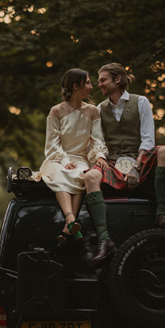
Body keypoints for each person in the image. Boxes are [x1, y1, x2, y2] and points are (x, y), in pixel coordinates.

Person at [84, 62, 165, 266]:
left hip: (139, 159)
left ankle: (161, 215)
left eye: (103, 80)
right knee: (90, 177)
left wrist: (136, 165)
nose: (99, 85)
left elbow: (148, 138)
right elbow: (97, 140)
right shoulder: (99, 108)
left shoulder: (140, 101)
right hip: (112, 162)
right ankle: (105, 239)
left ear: (117, 79)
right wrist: (99, 156)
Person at [39, 68, 108, 250]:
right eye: (87, 83)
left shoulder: (93, 111)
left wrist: (100, 156)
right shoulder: (56, 111)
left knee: (80, 175)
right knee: (61, 173)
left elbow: (97, 139)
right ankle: (71, 219)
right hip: (56, 159)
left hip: (81, 159)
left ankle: (66, 228)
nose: (91, 87)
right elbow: (52, 143)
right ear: (76, 86)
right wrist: (63, 161)